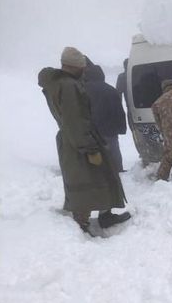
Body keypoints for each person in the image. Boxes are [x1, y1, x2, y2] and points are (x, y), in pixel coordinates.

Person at [38, 47, 130, 234]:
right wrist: (89, 148)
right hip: (78, 141)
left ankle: (104, 215)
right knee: (85, 181)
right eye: (82, 67)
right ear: (75, 67)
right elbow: (75, 120)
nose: (84, 70)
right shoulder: (69, 86)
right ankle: (81, 224)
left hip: (73, 139)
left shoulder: (59, 84)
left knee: (97, 177)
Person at [84, 64, 127, 172]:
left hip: (91, 131)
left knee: (94, 154)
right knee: (113, 152)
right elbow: (118, 111)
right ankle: (117, 170)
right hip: (109, 130)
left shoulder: (82, 90)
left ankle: (97, 172)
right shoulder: (110, 90)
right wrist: (121, 128)